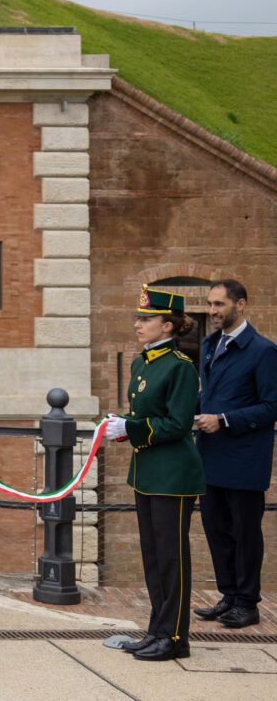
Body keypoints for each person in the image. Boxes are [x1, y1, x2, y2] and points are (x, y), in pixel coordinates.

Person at [105, 285, 205, 661]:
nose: (137, 324)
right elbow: (144, 413)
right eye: (138, 318)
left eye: (145, 319)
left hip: (174, 475)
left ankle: (176, 637)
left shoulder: (180, 366)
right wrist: (122, 423)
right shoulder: (142, 362)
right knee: (152, 555)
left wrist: (131, 429)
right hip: (147, 471)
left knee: (171, 557)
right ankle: (157, 630)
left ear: (168, 326)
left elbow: (178, 424)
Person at [192, 279, 277, 629]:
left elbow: (272, 406)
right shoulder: (209, 344)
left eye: (219, 305)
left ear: (240, 304)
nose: (212, 312)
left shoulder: (263, 350)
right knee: (216, 529)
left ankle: (248, 602)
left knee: (245, 533)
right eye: (210, 305)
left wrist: (224, 420)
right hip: (210, 456)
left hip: (244, 459)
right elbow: (208, 394)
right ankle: (228, 596)